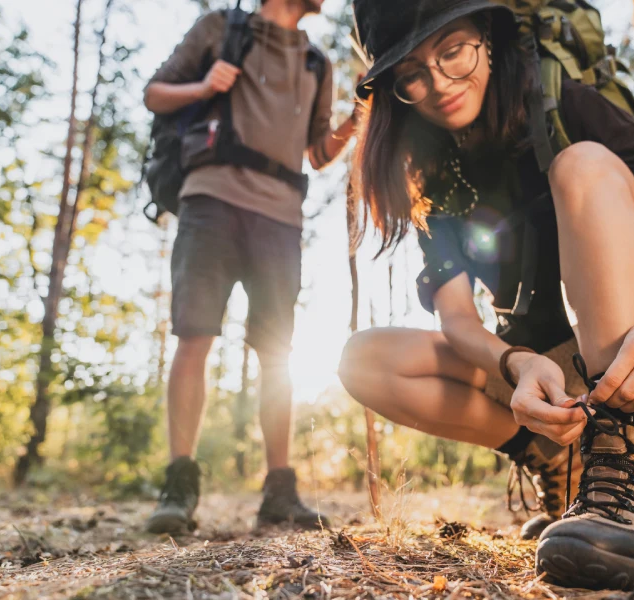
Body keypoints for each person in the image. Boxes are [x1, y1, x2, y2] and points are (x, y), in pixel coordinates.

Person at [338, 0, 634, 590]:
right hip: (549, 374)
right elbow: (457, 319)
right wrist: (518, 363)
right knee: (363, 359)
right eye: (412, 75)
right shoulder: (430, 173)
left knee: (580, 165)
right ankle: (560, 460)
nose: (439, 84)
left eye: (452, 51)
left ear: (488, 38)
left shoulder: (567, 102)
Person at [143, 0, 356, 534]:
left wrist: (354, 122)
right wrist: (202, 87)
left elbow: (317, 152)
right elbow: (154, 93)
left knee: (277, 351)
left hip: (281, 218)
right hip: (210, 200)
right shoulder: (221, 27)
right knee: (194, 335)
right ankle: (179, 484)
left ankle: (279, 491)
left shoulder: (317, 62)